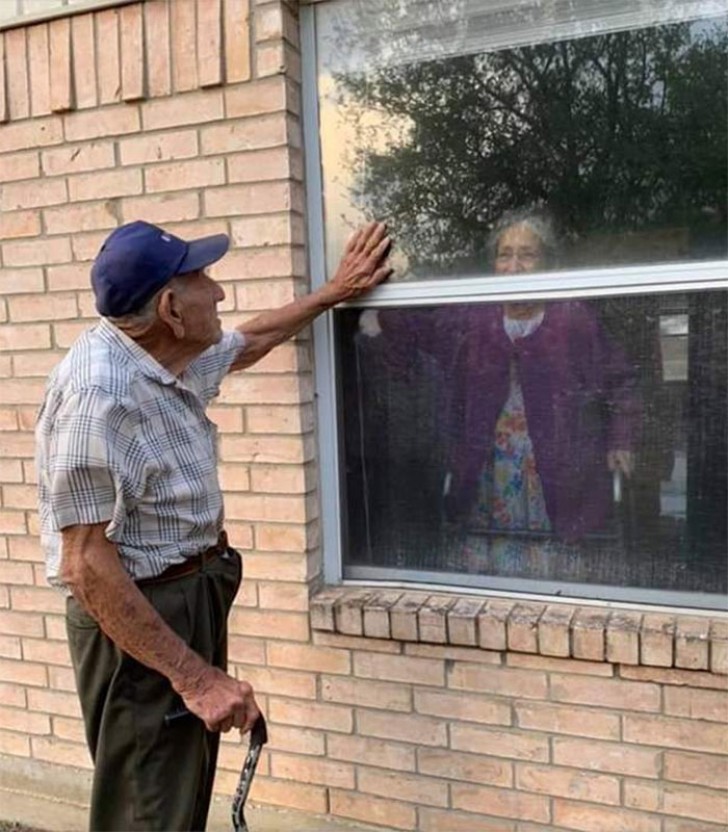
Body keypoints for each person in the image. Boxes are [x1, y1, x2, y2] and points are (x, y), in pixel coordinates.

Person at [35, 218, 392, 832]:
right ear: (172, 308)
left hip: (182, 597)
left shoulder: (159, 358)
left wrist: (333, 292)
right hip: (140, 615)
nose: (220, 292)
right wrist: (195, 679)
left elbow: (247, 343)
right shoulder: (99, 398)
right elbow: (85, 564)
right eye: (203, 278)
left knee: (179, 794)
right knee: (148, 812)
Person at [360, 208, 640, 577]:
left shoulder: (573, 318)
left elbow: (621, 379)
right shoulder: (472, 318)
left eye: (527, 254)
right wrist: (378, 286)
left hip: (558, 462)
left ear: (546, 264)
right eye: (504, 254)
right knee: (487, 555)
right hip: (488, 462)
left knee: (554, 564)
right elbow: (415, 329)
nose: (514, 265)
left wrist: (622, 438)